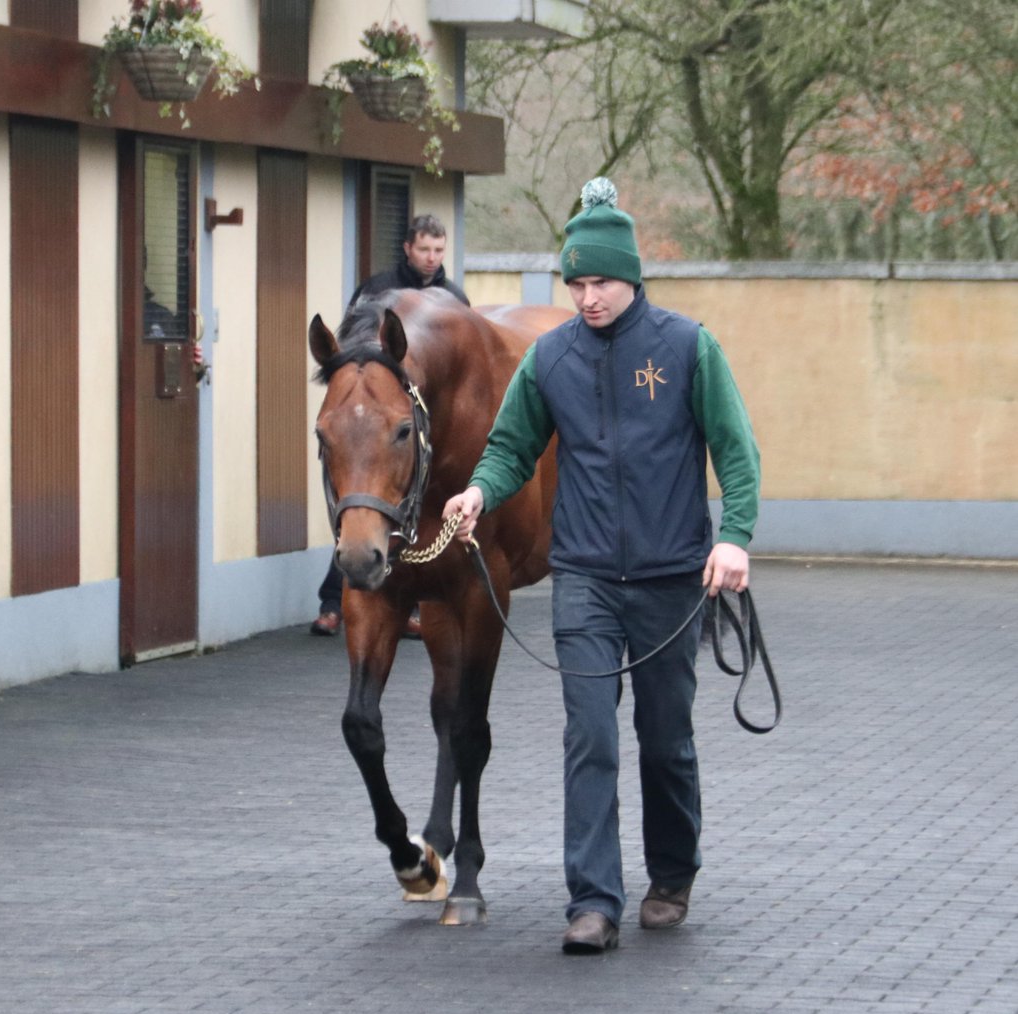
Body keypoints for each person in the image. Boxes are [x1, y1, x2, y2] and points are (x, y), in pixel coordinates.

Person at [443, 178, 761, 955]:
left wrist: (736, 536)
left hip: (671, 576)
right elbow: (512, 445)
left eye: (601, 282)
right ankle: (591, 900)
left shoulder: (688, 348)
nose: (587, 297)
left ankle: (673, 872)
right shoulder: (551, 359)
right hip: (583, 574)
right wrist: (480, 492)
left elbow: (737, 453)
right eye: (576, 283)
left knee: (665, 740)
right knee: (589, 735)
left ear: (633, 278)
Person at [311, 214, 470, 638]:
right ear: (407, 248)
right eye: (425, 249)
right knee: (358, 499)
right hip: (376, 422)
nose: (432, 258)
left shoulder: (452, 298)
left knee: (416, 509)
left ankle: (415, 603)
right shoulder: (375, 290)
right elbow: (349, 348)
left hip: (425, 428)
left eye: (439, 250)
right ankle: (333, 599)